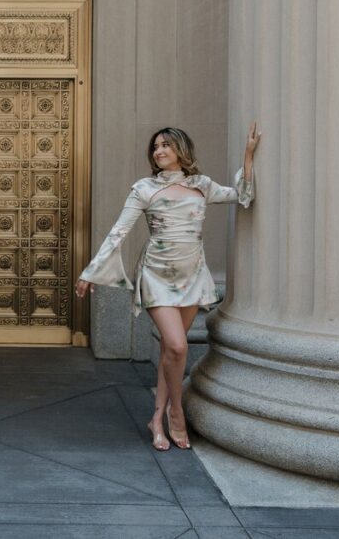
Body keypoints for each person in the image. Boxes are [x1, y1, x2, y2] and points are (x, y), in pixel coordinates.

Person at [75, 123, 260, 451]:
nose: (159, 151)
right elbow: (119, 231)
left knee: (168, 354)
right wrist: (90, 272)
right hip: (157, 276)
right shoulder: (144, 189)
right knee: (176, 346)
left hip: (192, 275)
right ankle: (176, 412)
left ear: (181, 150)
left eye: (166, 146)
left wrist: (248, 157)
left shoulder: (201, 185)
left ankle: (156, 418)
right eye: (156, 147)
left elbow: (241, 196)